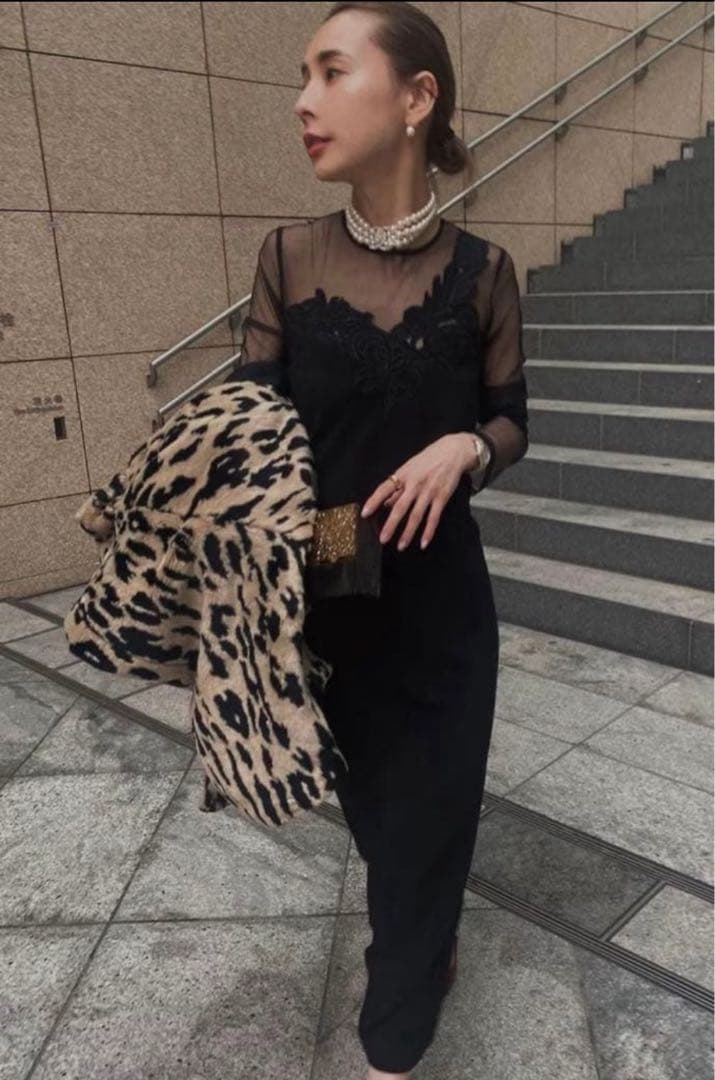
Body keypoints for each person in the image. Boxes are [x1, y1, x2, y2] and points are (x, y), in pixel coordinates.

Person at [232, 3, 529, 1077]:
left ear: (415, 98)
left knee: (428, 826)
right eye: (301, 76)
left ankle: (391, 1041)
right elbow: (255, 430)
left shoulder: (485, 271)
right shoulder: (286, 258)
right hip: (329, 593)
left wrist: (468, 447)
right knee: (376, 819)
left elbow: (513, 420)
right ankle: (424, 940)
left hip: (445, 607)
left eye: (330, 71)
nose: (302, 102)